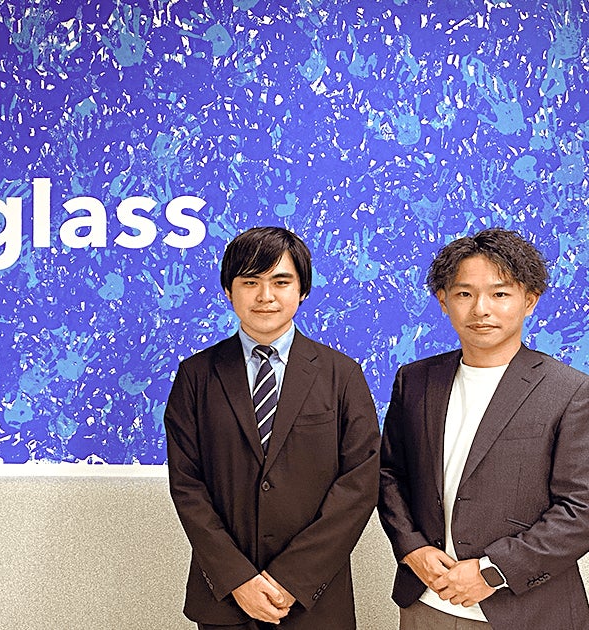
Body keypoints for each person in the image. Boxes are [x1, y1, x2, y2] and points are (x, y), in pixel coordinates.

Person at [164, 226, 380, 629]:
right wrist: (237, 579)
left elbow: (359, 484)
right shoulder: (196, 376)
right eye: (250, 282)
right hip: (226, 601)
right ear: (228, 291)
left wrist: (292, 578)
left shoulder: (342, 374)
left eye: (281, 282)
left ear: (302, 290)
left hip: (314, 601)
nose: (265, 296)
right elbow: (187, 485)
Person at [379, 228, 589, 628]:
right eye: (464, 294)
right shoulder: (415, 380)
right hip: (426, 604)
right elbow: (390, 474)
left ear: (529, 301)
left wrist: (492, 571)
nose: (481, 309)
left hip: (527, 612)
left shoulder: (572, 392)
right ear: (443, 301)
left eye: (500, 294)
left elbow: (581, 510)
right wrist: (411, 547)